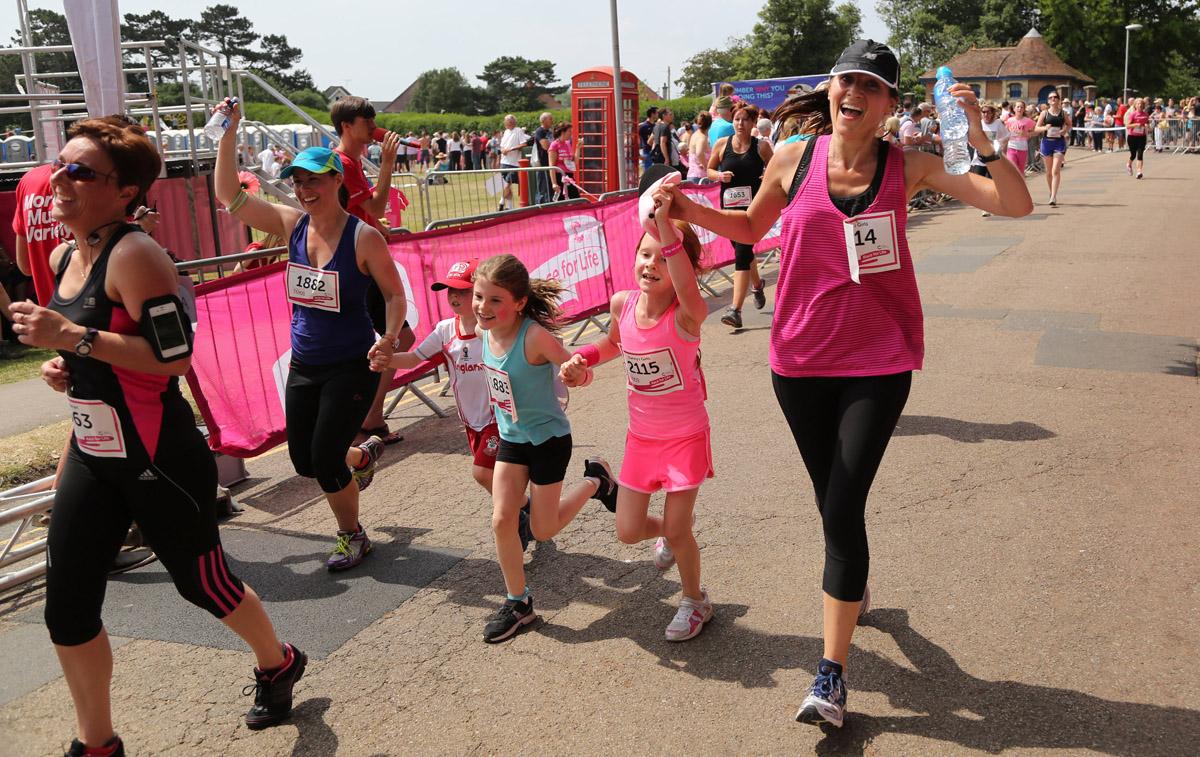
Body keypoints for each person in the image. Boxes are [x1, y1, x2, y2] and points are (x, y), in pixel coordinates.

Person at [659, 39, 1031, 728]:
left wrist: (981, 136)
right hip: (797, 361)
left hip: (879, 362)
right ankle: (853, 584)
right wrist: (688, 211)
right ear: (830, 90)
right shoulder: (793, 157)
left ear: (889, 104)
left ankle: (830, 676)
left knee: (841, 506)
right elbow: (749, 225)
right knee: (834, 503)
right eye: (844, 80)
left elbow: (1013, 205)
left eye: (870, 84)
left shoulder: (909, 165)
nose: (852, 92)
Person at [9, 117, 307, 755]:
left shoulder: (136, 253)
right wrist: (70, 366)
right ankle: (97, 744)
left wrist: (75, 339)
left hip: (158, 455)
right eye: (60, 164)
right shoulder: (66, 255)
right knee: (67, 607)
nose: (60, 179)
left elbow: (172, 358)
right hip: (93, 454)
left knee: (202, 583)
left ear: (124, 192)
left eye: (81, 171)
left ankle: (277, 659)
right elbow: (98, 351)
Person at [214, 100, 408, 571]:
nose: (304, 190)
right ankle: (359, 459)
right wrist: (227, 134)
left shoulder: (364, 238)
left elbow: (395, 295)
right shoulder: (291, 224)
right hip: (306, 362)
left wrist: (388, 338)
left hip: (351, 363)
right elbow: (229, 196)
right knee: (303, 459)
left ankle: (352, 535)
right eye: (298, 181)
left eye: (314, 180)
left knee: (322, 460)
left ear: (337, 181)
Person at [560, 198, 715, 641]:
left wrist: (666, 228)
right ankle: (671, 535)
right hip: (641, 440)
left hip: (685, 437)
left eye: (662, 257)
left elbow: (685, 284)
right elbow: (612, 344)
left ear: (680, 265)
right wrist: (582, 359)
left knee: (679, 528)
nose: (651, 263)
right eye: (643, 254)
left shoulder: (688, 314)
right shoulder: (622, 304)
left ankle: (695, 600)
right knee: (628, 531)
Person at [473, 254, 618, 643]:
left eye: (494, 300)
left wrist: (576, 373)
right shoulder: (483, 329)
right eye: (479, 297)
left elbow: (577, 369)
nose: (483, 308)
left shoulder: (534, 337)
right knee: (502, 520)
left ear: (519, 303)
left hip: (549, 441)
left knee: (542, 527)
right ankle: (518, 603)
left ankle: (595, 482)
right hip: (512, 439)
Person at [328, 97, 415, 445]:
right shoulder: (345, 161)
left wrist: (374, 225)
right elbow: (376, 203)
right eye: (368, 121)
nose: (373, 126)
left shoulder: (348, 160)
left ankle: (369, 416)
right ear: (348, 125)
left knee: (387, 340)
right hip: (358, 265)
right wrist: (389, 162)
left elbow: (358, 211)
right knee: (396, 338)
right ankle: (370, 417)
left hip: (357, 259)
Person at [708, 101, 774, 329]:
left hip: (752, 210)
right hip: (728, 209)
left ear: (753, 123)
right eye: (737, 119)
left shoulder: (761, 147)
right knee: (741, 251)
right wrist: (718, 176)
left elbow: (775, 168)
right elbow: (709, 169)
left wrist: (767, 176)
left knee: (742, 253)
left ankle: (735, 310)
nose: (740, 123)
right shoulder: (721, 144)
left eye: (745, 120)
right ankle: (757, 285)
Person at [12, 161, 71, 305]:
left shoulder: (30, 178)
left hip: (50, 314)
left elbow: (26, 266)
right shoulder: (95, 177)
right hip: (99, 318)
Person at [971, 101, 1010, 217]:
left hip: (993, 158)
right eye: (983, 112)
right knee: (979, 183)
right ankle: (985, 207)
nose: (986, 114)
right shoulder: (979, 123)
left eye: (988, 112)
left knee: (992, 182)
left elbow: (1007, 136)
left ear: (993, 113)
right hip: (979, 158)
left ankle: (992, 205)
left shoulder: (997, 124)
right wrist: (973, 143)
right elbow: (971, 137)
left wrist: (999, 143)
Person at [1035, 91, 1070, 206]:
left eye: (1055, 97)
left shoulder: (1063, 113)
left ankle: (1054, 196)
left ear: (1059, 100)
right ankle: (1051, 192)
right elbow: (1036, 128)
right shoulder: (1044, 113)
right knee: (1049, 172)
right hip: (1046, 143)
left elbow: (1069, 124)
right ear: (1048, 100)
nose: (1053, 99)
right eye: (1051, 97)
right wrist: (1045, 127)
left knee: (1056, 170)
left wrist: (1064, 130)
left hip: (1059, 143)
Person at [498, 115, 532, 211]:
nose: (505, 124)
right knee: (507, 184)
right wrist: (503, 150)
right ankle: (509, 206)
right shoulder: (506, 132)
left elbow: (523, 144)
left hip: (513, 163)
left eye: (507, 122)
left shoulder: (518, 131)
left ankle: (501, 202)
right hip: (504, 161)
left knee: (508, 183)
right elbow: (502, 146)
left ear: (512, 122)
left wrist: (510, 149)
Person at [547, 123, 582, 200]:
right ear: (563, 132)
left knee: (576, 200)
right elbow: (551, 166)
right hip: (559, 177)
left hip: (569, 176)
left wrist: (578, 148)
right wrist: (554, 183)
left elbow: (575, 162)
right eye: (569, 131)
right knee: (561, 203)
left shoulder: (567, 144)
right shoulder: (554, 145)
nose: (571, 134)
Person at [1004, 100, 1035, 173]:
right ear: (1014, 109)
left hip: (1023, 149)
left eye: (1021, 107)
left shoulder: (1028, 121)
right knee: (1012, 169)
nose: (1019, 109)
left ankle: (1020, 184)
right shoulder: (1009, 120)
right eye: (1018, 107)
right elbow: (1005, 133)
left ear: (1024, 109)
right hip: (1011, 148)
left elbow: (1036, 131)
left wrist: (1027, 134)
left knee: (1021, 172)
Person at [652, 108, 683, 175]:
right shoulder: (665, 126)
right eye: (670, 114)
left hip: (657, 156)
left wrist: (653, 153)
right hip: (664, 157)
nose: (672, 116)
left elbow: (653, 142)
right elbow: (662, 142)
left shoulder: (656, 126)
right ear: (664, 116)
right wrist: (666, 158)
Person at [1124, 97, 1149, 178]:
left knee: (1140, 153)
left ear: (1143, 105)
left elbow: (1147, 123)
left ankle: (1139, 172)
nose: (1140, 105)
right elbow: (1127, 126)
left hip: (1142, 137)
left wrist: (1147, 126)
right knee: (1133, 154)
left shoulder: (1145, 114)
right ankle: (1129, 164)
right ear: (1135, 105)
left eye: (1142, 104)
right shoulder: (1133, 114)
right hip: (1132, 137)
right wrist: (1136, 125)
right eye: (1138, 104)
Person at [533, 113, 555, 204]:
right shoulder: (540, 131)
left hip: (550, 162)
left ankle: (549, 204)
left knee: (549, 187)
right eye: (550, 119)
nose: (552, 120)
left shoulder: (550, 131)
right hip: (543, 163)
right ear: (544, 120)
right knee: (542, 186)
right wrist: (554, 146)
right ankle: (539, 204)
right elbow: (546, 146)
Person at [686, 112, 713, 182]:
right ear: (710, 124)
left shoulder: (695, 135)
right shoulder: (702, 138)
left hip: (693, 175)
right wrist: (707, 167)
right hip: (700, 177)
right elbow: (699, 153)